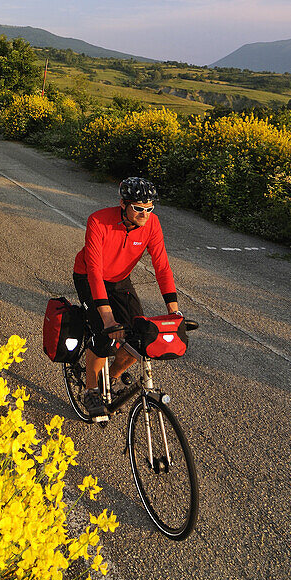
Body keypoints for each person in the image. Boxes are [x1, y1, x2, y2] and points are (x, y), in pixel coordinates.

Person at [73, 176, 179, 419]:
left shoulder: (152, 224)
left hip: (120, 279)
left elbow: (162, 267)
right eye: (139, 208)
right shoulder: (98, 221)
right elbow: (95, 272)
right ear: (123, 203)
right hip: (89, 276)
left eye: (150, 208)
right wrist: (108, 318)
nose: (145, 214)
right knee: (103, 333)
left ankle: (108, 379)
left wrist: (174, 312)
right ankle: (91, 389)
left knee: (140, 337)